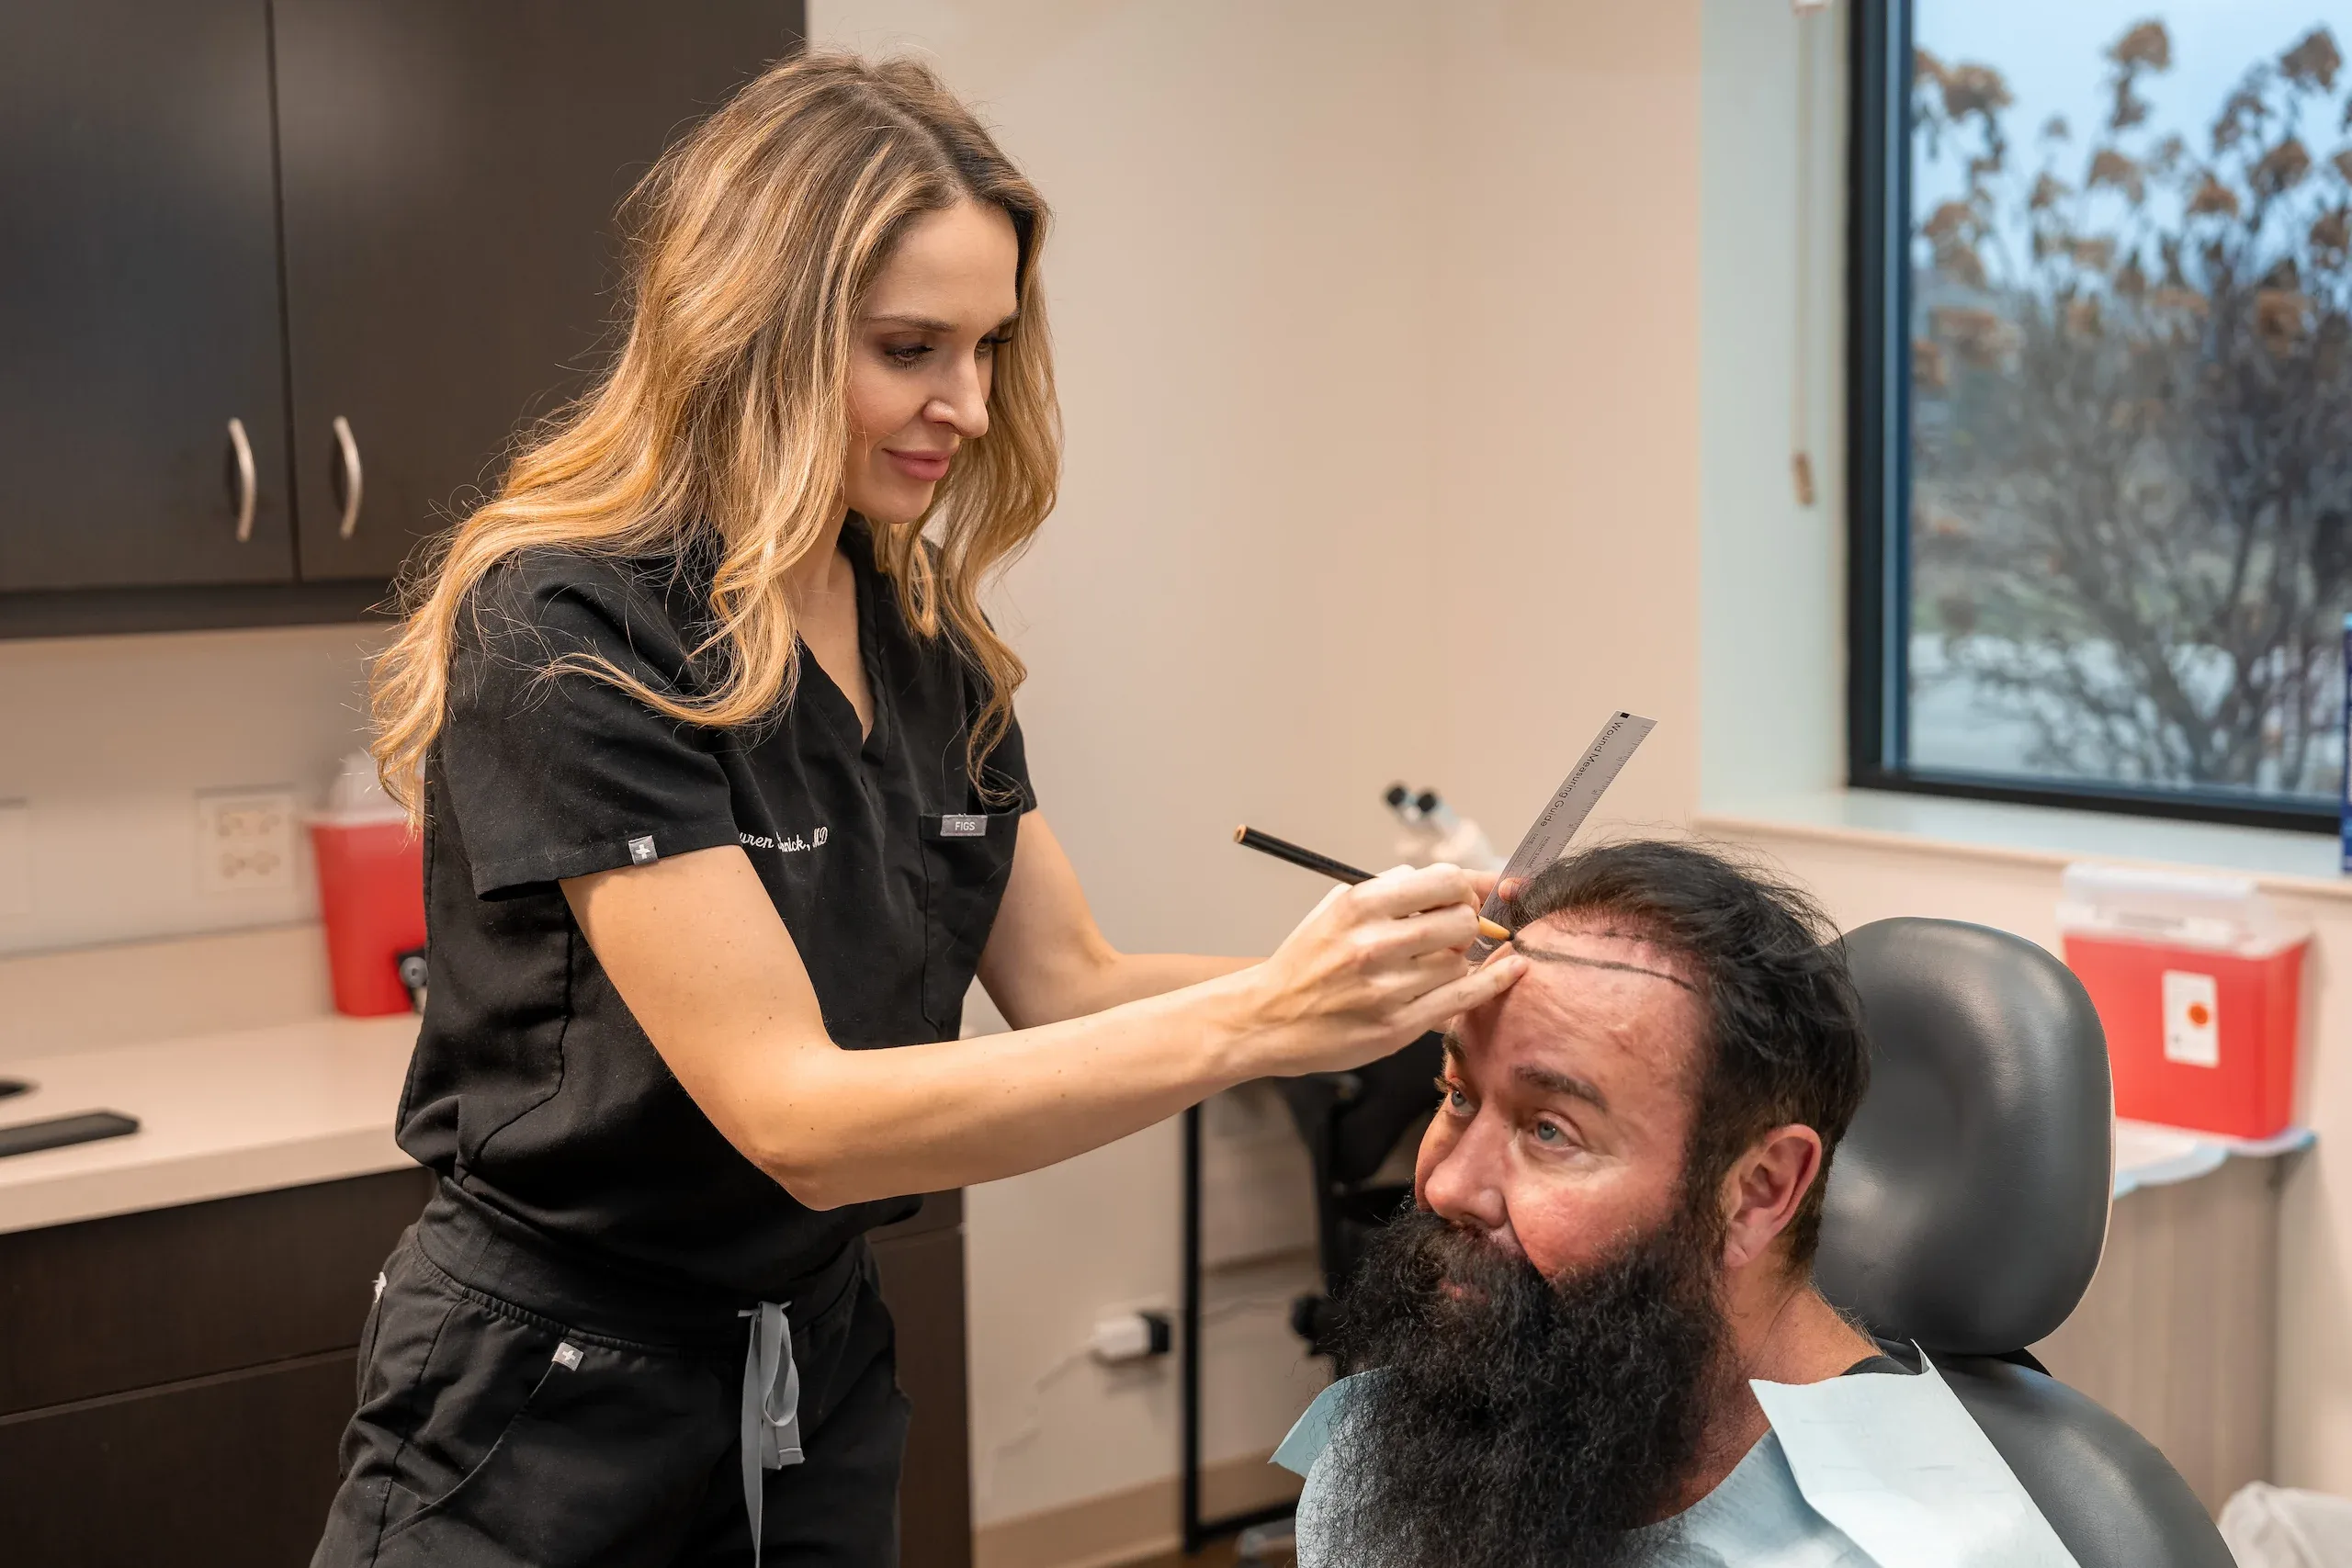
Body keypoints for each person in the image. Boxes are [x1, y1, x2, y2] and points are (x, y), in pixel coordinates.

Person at [311, 51, 1526, 1568]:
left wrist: (1386, 981)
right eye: (910, 347)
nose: (967, 403)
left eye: (992, 346)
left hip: (809, 1370)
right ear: (747, 332)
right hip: (552, 1393)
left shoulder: (918, 633)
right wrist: (1276, 1016)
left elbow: (1070, 983)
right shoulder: (568, 625)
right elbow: (796, 1116)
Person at [1278, 840, 2078, 1568]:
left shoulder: (1923, 1549)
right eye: (1457, 1095)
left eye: (1551, 1130)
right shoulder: (1395, 1460)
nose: (1446, 1185)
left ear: (1760, 1188)